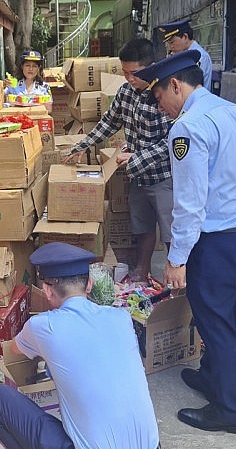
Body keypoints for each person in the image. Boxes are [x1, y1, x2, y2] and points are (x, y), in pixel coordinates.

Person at [135, 49, 236, 434]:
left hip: (219, 240)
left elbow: (190, 202)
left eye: (159, 97)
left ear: (176, 85)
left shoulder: (187, 128)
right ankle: (212, 378)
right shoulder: (233, 112)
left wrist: (176, 259)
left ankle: (231, 411)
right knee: (222, 312)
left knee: (216, 322)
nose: (160, 108)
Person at [0, 242, 162, 449]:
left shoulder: (43, 326)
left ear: (46, 290)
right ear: (89, 284)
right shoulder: (120, 318)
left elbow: (14, 350)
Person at [65, 38, 174, 281]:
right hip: (137, 175)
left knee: (171, 233)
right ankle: (141, 272)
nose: (128, 78)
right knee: (142, 228)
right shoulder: (125, 93)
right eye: (124, 72)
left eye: (134, 73)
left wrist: (137, 157)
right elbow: (108, 123)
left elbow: (171, 143)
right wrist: (82, 144)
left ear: (151, 66)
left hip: (163, 177)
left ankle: (177, 281)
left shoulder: (165, 95)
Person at [157, 19, 213, 91]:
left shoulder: (200, 57)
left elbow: (194, 88)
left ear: (185, 37)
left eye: (172, 42)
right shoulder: (181, 54)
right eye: (168, 43)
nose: (171, 47)